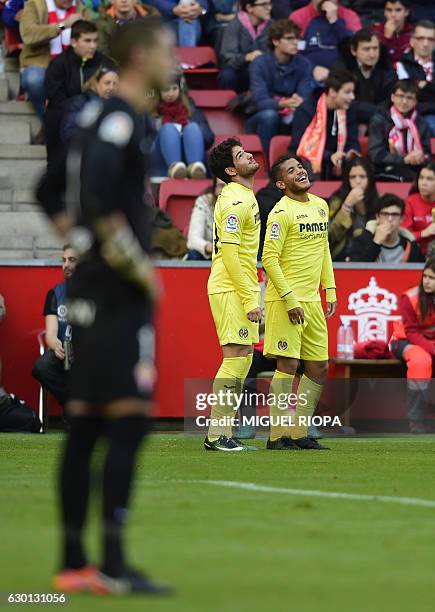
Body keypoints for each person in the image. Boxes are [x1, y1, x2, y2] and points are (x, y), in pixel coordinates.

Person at [36, 18, 174, 594]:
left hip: (91, 288)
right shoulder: (123, 117)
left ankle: (73, 563)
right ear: (141, 56)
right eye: (167, 49)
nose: (176, 59)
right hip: (116, 295)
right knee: (128, 421)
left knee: (87, 424)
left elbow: (49, 190)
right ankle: (113, 565)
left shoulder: (92, 116)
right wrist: (132, 263)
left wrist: (84, 244)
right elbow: (93, 193)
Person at [262, 155, 336, 450]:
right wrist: (290, 299)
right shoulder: (280, 213)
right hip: (285, 301)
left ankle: (299, 432)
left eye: (300, 167)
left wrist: (329, 289)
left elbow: (324, 248)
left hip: (313, 301)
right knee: (288, 363)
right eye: (291, 170)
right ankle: (276, 435)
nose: (300, 171)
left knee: (318, 366)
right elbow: (269, 258)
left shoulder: (321, 205)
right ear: (281, 184)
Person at [204, 137, 261, 451]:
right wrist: (250, 298)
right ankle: (216, 435)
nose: (249, 155)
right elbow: (228, 253)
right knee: (235, 357)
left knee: (244, 358)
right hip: (230, 286)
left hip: (238, 285)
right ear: (230, 169)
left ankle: (222, 431)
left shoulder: (242, 195)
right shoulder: (236, 201)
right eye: (241, 155)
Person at [44, 20, 110, 163]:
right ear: (74, 42)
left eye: (95, 41)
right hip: (68, 113)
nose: (92, 46)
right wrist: (79, 109)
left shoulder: (105, 63)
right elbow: (56, 98)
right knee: (53, 116)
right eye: (87, 41)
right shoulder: (58, 65)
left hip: (98, 111)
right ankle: (58, 168)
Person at [247, 19, 313, 158]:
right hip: (260, 117)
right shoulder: (259, 63)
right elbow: (260, 101)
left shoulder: (304, 63)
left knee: (306, 113)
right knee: (269, 116)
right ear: (276, 41)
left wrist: (297, 101)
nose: (295, 42)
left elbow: (305, 94)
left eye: (297, 38)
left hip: (293, 112)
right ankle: (266, 164)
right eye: (290, 39)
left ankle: (301, 163)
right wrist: (283, 103)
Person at [19, 0, 92, 126]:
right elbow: (28, 35)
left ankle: (53, 126)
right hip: (41, 65)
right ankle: (52, 124)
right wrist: (63, 25)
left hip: (71, 68)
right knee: (33, 79)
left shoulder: (82, 10)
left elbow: (92, 41)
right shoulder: (34, 5)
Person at [32, 245, 79, 412]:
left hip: (89, 354)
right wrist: (55, 344)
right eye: (64, 260)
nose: (66, 265)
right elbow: (50, 334)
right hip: (63, 351)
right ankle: (71, 406)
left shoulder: (97, 292)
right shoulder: (55, 293)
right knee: (41, 367)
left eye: (72, 260)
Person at [390, 257, 435, 433]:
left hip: (429, 342)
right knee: (420, 361)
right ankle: (416, 422)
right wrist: (432, 349)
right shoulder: (410, 297)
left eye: (432, 278)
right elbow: (412, 332)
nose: (426, 281)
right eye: (425, 276)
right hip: (403, 341)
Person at [291, 69, 360, 180]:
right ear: (332, 92)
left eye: (353, 92)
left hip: (337, 160)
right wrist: (329, 156)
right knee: (308, 165)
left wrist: (350, 152)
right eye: (347, 92)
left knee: (359, 165)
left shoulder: (349, 110)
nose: (352, 97)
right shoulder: (307, 109)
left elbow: (352, 139)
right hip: (307, 160)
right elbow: (300, 145)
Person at [368, 79, 432, 182]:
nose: (404, 101)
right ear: (392, 97)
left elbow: (427, 153)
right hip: (385, 168)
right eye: (400, 96)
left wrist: (420, 157)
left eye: (409, 98)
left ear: (415, 102)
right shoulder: (380, 120)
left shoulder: (421, 123)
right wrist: (404, 159)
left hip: (415, 168)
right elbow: (376, 154)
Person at [153, 72, 214, 179]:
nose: (171, 93)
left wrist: (193, 131)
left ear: (180, 90)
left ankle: (195, 169)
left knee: (192, 128)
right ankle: (176, 169)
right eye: (166, 90)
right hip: (161, 162)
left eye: (174, 89)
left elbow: (209, 138)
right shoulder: (153, 113)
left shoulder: (191, 109)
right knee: (168, 129)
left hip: (190, 156)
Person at [289, 0, 361, 83]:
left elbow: (356, 50)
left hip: (344, 75)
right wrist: (312, 68)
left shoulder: (350, 16)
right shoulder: (298, 17)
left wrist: (335, 21)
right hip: (310, 76)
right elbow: (294, 53)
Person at [337, 29, 397, 128]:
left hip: (380, 121)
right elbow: (343, 101)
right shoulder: (343, 68)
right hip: (348, 120)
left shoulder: (386, 68)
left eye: (375, 48)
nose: (372, 54)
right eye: (366, 49)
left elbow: (391, 100)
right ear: (353, 50)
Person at [347, 193, 423, 263]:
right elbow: (355, 269)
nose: (390, 219)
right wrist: (376, 243)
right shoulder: (363, 240)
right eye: (385, 214)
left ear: (401, 219)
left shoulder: (411, 246)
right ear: (377, 217)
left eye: (395, 214)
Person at [328, 157, 379, 261]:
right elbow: (330, 237)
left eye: (362, 176)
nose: (358, 181)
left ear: (370, 179)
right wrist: (347, 205)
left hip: (372, 255)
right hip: (341, 255)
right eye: (352, 177)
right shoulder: (337, 201)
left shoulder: (378, 201)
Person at [217, 0, 272, 93]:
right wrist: (246, 57)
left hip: (264, 71)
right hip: (241, 71)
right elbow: (228, 59)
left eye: (270, 3)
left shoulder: (273, 26)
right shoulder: (234, 26)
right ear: (249, 8)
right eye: (264, 4)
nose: (269, 8)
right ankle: (230, 105)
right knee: (227, 75)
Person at [61, 63, 119, 143]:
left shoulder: (119, 105)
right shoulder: (79, 102)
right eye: (107, 83)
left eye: (115, 84)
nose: (111, 88)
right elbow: (69, 134)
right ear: (95, 84)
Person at [396, 20, 435, 136]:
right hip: (418, 115)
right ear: (412, 41)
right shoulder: (401, 65)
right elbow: (407, 95)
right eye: (421, 38)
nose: (425, 43)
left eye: (430, 39)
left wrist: (425, 86)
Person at [186, 177, 225, 260]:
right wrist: (209, 247)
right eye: (221, 186)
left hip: (233, 258)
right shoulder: (203, 203)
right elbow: (193, 240)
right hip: (210, 254)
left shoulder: (244, 205)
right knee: (194, 254)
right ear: (215, 189)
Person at [402, 161, 435, 257]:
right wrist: (424, 233)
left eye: (429, 179)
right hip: (416, 253)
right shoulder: (410, 202)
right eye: (421, 178)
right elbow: (404, 235)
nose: (423, 183)